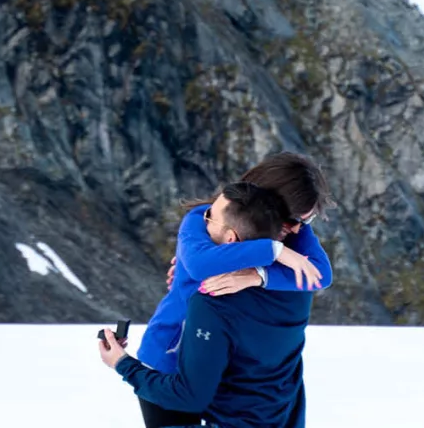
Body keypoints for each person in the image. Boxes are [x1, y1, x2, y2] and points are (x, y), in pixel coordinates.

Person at [135, 151, 333, 427]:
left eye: (306, 221)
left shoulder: (293, 231)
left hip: (226, 371)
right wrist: (275, 252)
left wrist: (259, 275)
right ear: (268, 206)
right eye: (293, 220)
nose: (298, 230)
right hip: (170, 356)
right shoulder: (202, 220)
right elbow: (199, 265)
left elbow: (320, 276)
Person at [98, 181, 313, 427]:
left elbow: (188, 397)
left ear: (231, 238)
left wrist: (122, 363)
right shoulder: (298, 284)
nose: (203, 219)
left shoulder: (210, 303)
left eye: (210, 216)